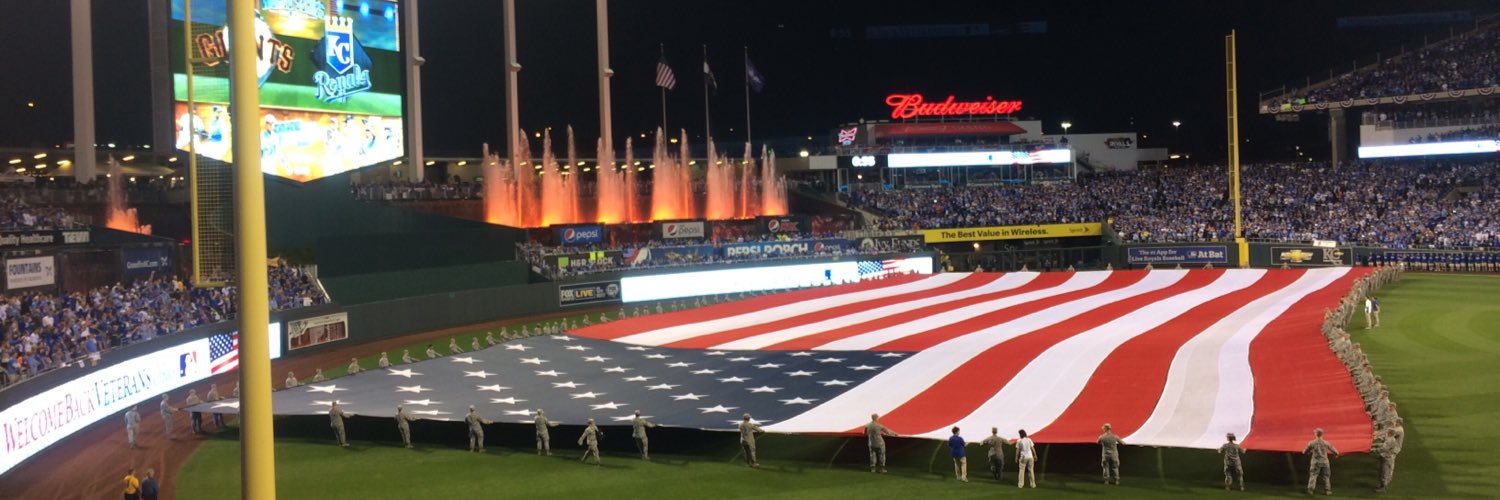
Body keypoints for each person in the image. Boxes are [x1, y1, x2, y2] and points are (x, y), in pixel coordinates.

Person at [1304, 428, 1339, 495]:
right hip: (1325, 462)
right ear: (1322, 434)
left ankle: (1310, 490)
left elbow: (1304, 451)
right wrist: (1336, 454)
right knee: (1326, 476)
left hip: (1315, 462)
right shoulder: (1326, 443)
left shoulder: (1311, 443)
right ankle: (1327, 491)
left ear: (1315, 434)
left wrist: (1309, 452)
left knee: (1313, 476)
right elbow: (1335, 451)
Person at [1376, 421, 1404, 493]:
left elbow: (1384, 448)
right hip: (1387, 456)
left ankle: (1384, 487)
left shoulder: (1390, 440)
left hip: (1388, 458)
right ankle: (1383, 484)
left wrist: (1376, 450)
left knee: (1385, 471)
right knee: (1384, 471)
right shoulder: (1390, 439)